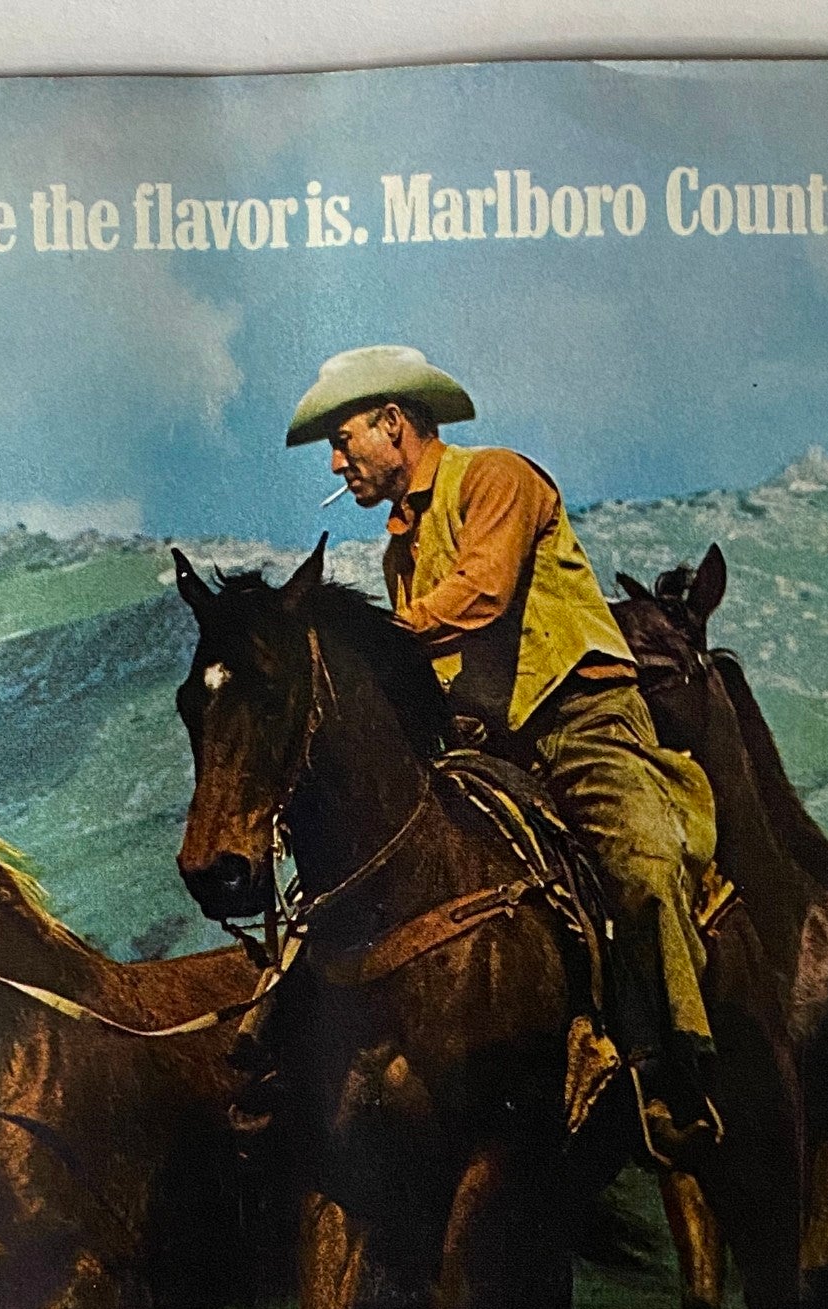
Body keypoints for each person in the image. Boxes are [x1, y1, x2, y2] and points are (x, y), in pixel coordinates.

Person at [285, 344, 722, 1156]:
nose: (339, 462)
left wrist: (364, 643)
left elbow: (482, 595)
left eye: (345, 440)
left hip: (580, 718)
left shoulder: (496, 479)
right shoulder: (396, 552)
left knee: (642, 866)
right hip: (489, 745)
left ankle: (676, 1074)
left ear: (393, 423)